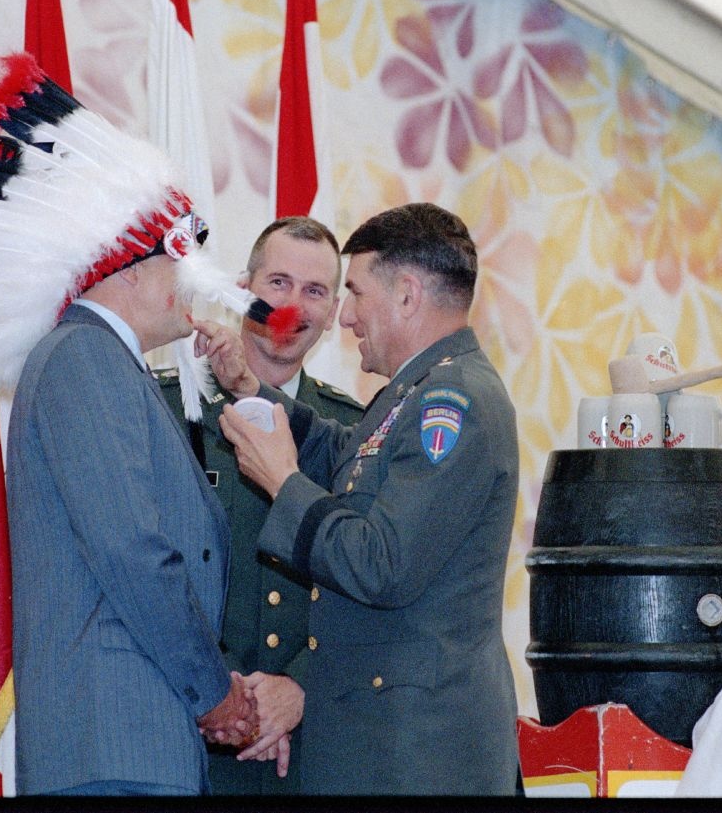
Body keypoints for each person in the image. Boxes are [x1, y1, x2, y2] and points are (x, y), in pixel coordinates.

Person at [0, 53, 276, 796]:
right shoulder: (84, 361)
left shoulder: (103, 362)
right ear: (130, 271)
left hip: (129, 746)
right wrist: (213, 692)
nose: (195, 280)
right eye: (182, 259)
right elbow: (135, 552)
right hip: (117, 752)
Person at [198, 202, 521, 795]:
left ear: (406, 294)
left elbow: (381, 564)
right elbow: (351, 456)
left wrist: (283, 483)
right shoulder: (418, 391)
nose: (344, 317)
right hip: (382, 747)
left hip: (414, 757)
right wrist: (253, 391)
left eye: (354, 292)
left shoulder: (453, 404)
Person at [155, 217, 364, 793]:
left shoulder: (353, 431)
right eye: (277, 282)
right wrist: (217, 695)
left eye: (315, 291)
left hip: (306, 750)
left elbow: (366, 588)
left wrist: (300, 686)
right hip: (190, 740)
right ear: (244, 287)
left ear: (331, 311)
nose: (292, 305)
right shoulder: (170, 411)